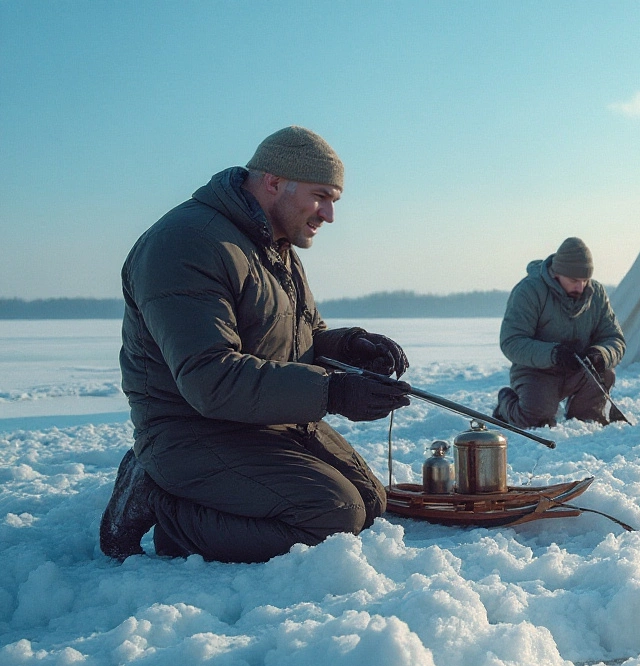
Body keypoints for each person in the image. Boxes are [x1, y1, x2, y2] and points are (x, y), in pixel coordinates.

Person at [100, 126, 413, 564]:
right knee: (331, 516)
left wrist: (350, 347)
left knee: (369, 501)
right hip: (191, 428)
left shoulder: (276, 245)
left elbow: (300, 339)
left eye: (333, 201)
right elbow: (211, 378)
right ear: (273, 182)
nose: (328, 215)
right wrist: (333, 392)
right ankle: (161, 501)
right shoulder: (186, 243)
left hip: (263, 419)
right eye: (321, 196)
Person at [493, 237, 626, 428]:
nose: (580, 287)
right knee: (535, 421)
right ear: (556, 273)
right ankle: (505, 404)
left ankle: (583, 413)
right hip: (536, 370)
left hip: (579, 369)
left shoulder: (596, 293)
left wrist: (601, 354)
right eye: (573, 280)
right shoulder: (529, 291)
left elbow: (614, 338)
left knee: (603, 376)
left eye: (585, 280)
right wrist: (553, 354)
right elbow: (511, 341)